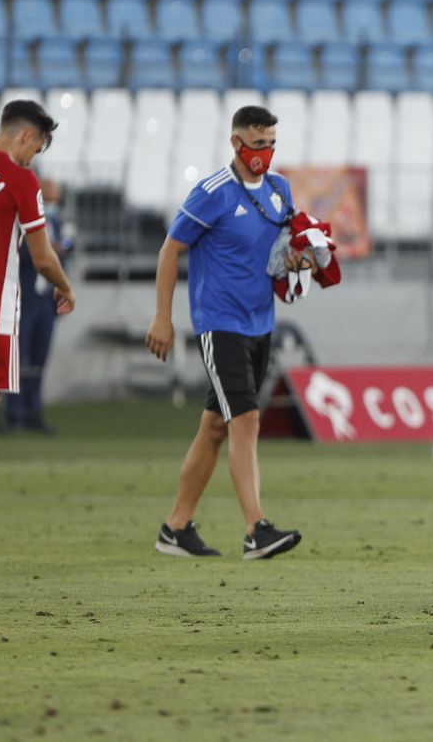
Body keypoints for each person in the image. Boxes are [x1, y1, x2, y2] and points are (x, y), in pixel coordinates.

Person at [146, 105, 311, 560]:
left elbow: (284, 250)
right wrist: (163, 317)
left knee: (216, 426)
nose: (266, 153)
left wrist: (299, 261)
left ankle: (175, 528)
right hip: (220, 323)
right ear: (236, 144)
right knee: (246, 419)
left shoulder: (280, 190)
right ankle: (256, 528)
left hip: (262, 321)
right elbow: (169, 251)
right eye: (258, 144)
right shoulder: (212, 193)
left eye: (271, 143)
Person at [0, 103, 76, 405]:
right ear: (26, 136)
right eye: (37, 148)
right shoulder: (21, 181)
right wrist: (66, 287)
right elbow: (42, 258)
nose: (32, 159)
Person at [6, 178, 73, 434]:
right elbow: (18, 252)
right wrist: (44, 251)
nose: (56, 190)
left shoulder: (55, 221)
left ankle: (33, 411)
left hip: (46, 300)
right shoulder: (22, 218)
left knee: (38, 358)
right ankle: (15, 413)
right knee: (19, 358)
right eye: (50, 186)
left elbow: (65, 252)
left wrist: (61, 290)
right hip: (26, 297)